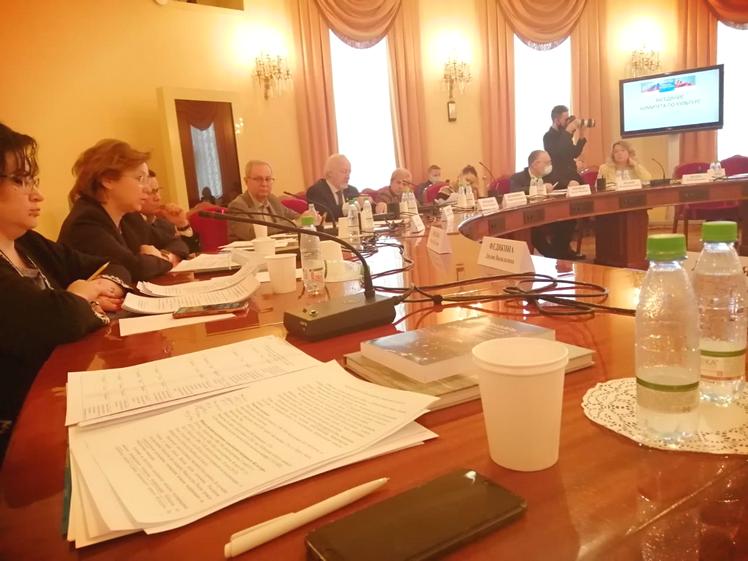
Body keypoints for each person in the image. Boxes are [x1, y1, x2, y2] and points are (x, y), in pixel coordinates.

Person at [0, 123, 130, 460]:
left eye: (34, 181)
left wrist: (90, 292)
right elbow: (58, 319)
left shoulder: (28, 243)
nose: (37, 195)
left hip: (64, 395)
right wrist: (79, 297)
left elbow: (114, 266)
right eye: (20, 181)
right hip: (19, 434)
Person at [58, 140, 174, 281]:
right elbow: (134, 269)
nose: (148, 189)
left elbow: (170, 239)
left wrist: (163, 256)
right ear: (108, 180)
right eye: (139, 178)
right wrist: (162, 258)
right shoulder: (85, 222)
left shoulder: (128, 216)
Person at [509, 150, 581, 260]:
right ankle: (552, 256)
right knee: (535, 230)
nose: (550, 166)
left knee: (568, 220)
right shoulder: (518, 177)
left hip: (550, 214)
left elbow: (563, 183)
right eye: (547, 163)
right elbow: (514, 191)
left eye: (550, 162)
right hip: (528, 217)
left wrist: (572, 183)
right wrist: (539, 189)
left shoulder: (550, 175)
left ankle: (561, 255)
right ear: (535, 164)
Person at [121, 169, 198, 259]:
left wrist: (182, 224)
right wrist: (171, 257)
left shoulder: (162, 222)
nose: (158, 198)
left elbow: (188, 251)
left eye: (157, 190)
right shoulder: (125, 222)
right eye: (150, 192)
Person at [227, 160, 300, 241]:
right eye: (258, 179)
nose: (264, 184)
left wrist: (307, 217)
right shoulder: (237, 206)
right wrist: (293, 223)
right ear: (246, 181)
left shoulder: (272, 199)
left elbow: (296, 217)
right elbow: (252, 233)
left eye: (268, 179)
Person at [543, 105, 587, 188]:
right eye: (565, 119)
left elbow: (575, 153)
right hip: (559, 178)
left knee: (588, 191)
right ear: (557, 120)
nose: (568, 122)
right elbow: (558, 152)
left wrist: (581, 135)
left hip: (572, 174)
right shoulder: (548, 136)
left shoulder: (565, 135)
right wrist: (568, 132)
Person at [306, 154, 359, 220]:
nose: (348, 176)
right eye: (344, 171)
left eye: (349, 172)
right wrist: (345, 208)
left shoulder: (352, 191)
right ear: (330, 173)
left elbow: (359, 213)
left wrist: (368, 205)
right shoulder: (316, 191)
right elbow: (323, 214)